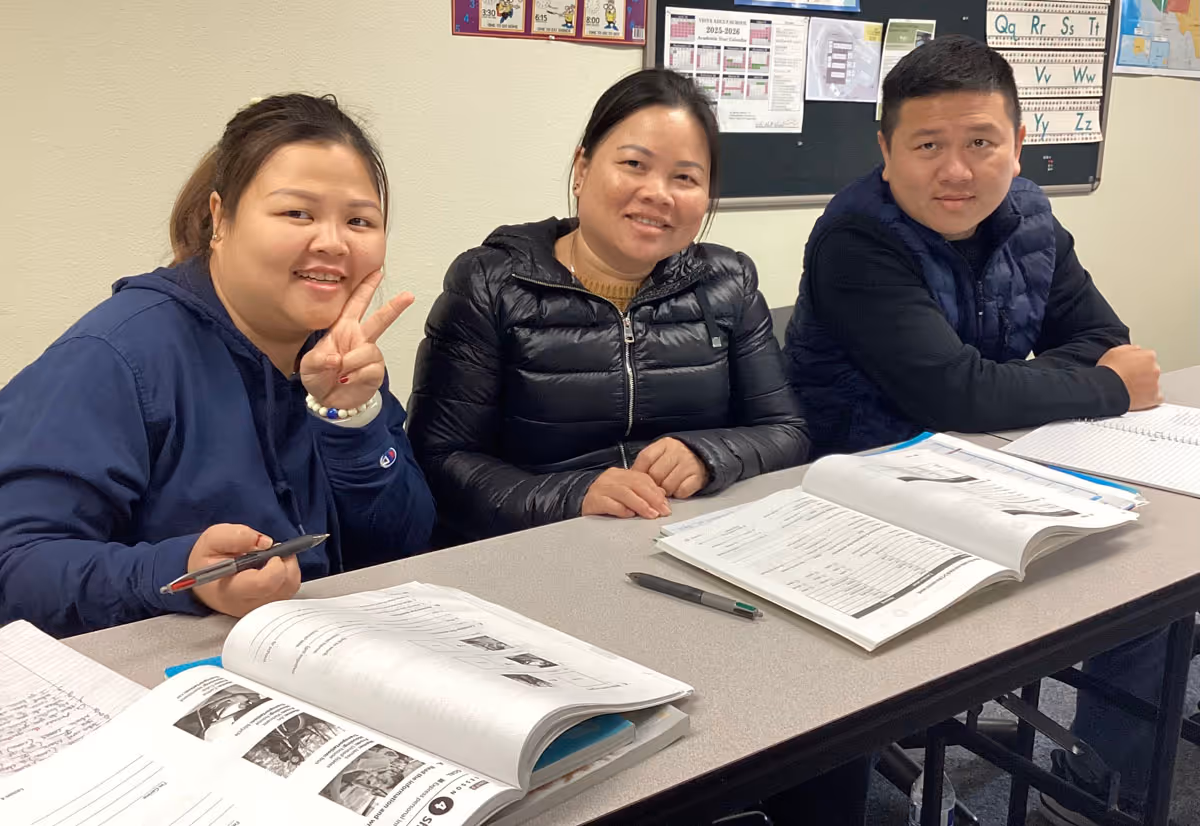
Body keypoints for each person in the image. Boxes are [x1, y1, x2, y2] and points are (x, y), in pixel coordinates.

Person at [784, 36, 1166, 825]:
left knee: (1152, 572)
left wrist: (1007, 388)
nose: (956, 172)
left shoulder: (1028, 217)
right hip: (865, 493)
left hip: (995, 466)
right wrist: (1086, 387)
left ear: (1017, 146)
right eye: (928, 145)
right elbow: (957, 392)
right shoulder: (858, 238)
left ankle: (1094, 773)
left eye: (981, 143)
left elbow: (1103, 335)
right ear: (887, 151)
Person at [0, 94, 435, 639]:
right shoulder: (116, 356)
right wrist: (184, 572)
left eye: (359, 220)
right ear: (219, 217)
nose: (333, 242)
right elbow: (17, 567)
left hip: (324, 654)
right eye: (297, 212)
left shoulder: (339, 353)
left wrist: (352, 421)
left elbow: (406, 545)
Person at [406, 68, 809, 547]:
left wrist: (708, 453)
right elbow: (440, 460)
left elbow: (787, 431)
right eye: (635, 165)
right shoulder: (491, 283)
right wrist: (574, 495)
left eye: (684, 177)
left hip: (694, 540)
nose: (658, 193)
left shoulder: (729, 283)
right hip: (539, 546)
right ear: (582, 169)